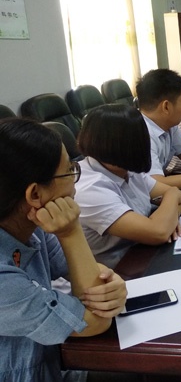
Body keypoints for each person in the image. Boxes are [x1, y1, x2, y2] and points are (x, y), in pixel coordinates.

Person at [0, 118, 127, 381]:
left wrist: (110, 285)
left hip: (55, 366)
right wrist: (71, 232)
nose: (74, 181)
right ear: (35, 195)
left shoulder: (31, 228)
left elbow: (86, 273)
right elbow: (94, 321)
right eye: (69, 170)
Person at [75, 104, 181, 268]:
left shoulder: (125, 168)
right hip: (118, 271)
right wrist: (170, 199)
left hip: (144, 254)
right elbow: (159, 231)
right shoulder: (89, 188)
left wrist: (169, 219)